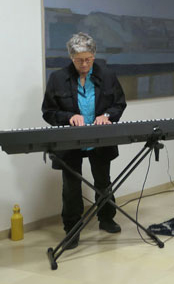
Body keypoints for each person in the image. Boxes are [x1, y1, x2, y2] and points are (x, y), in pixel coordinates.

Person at [42, 32, 127, 249]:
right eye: (79, 60)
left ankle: (106, 219)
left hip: (100, 139)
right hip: (70, 142)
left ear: (94, 56)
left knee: (103, 181)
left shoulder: (107, 75)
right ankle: (72, 229)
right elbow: (48, 111)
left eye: (88, 59)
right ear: (71, 58)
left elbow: (119, 104)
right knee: (71, 186)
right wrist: (68, 117)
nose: (85, 64)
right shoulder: (58, 78)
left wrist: (106, 116)